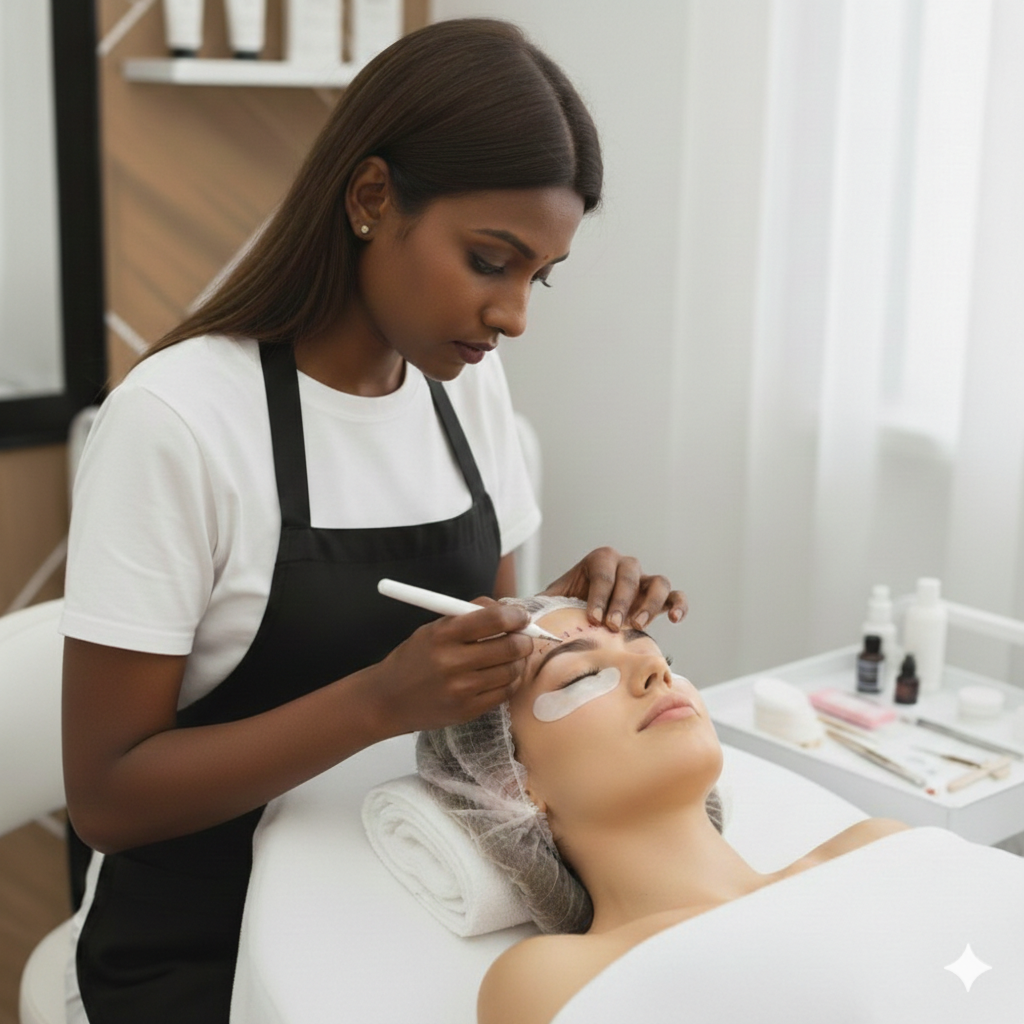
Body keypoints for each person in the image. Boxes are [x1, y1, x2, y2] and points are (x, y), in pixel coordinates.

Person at [59, 20, 688, 1024]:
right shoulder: (177, 420)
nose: (516, 314)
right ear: (370, 198)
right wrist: (376, 701)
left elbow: (479, 654)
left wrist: (555, 615)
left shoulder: (465, 384)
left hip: (420, 879)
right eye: (491, 260)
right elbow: (107, 796)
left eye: (540, 274)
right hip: (206, 935)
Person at [417, 596, 1024, 1024]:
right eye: (582, 676)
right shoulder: (553, 975)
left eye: (655, 654)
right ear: (510, 783)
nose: (656, 669)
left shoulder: (875, 846)